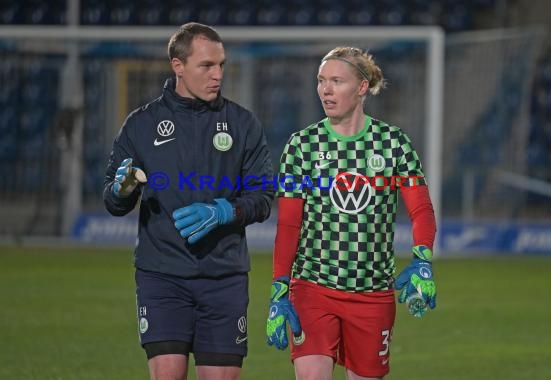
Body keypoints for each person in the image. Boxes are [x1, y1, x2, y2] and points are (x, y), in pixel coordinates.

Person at [103, 22, 274, 380]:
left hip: (224, 277)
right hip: (162, 275)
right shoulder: (141, 125)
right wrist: (121, 191)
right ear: (178, 66)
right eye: (206, 66)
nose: (217, 75)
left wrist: (225, 210)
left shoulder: (242, 124)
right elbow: (114, 201)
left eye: (221, 65)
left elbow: (262, 196)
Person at [266, 46, 437, 380]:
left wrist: (422, 260)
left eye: (336, 81)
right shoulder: (301, 146)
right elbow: (288, 225)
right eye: (321, 81)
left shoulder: (393, 143)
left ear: (361, 88)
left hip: (372, 294)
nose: (325, 90)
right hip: (313, 288)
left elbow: (422, 209)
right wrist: (279, 287)